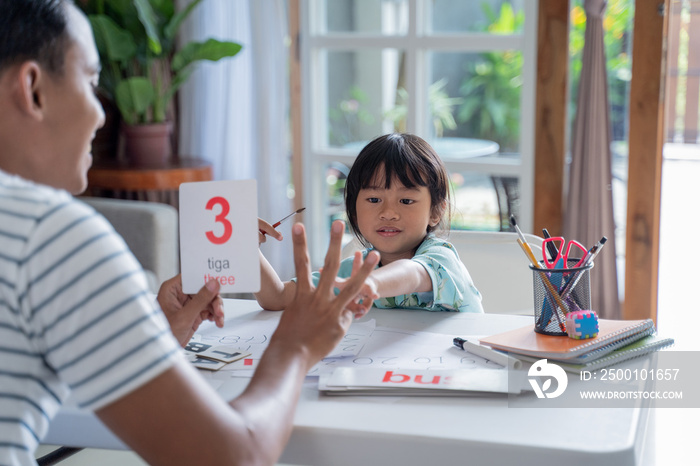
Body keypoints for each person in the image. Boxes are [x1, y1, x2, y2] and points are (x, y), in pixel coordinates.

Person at [0, 1, 379, 465]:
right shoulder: (52, 237)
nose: (101, 116)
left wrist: (148, 336)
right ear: (33, 89)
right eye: (92, 82)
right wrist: (296, 346)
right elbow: (232, 457)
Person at [256, 133, 484, 316]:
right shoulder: (354, 272)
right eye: (374, 200)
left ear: (435, 212)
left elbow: (413, 274)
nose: (388, 213)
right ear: (354, 209)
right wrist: (247, 248)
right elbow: (276, 298)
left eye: (406, 201)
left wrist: (369, 283)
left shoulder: (440, 258)